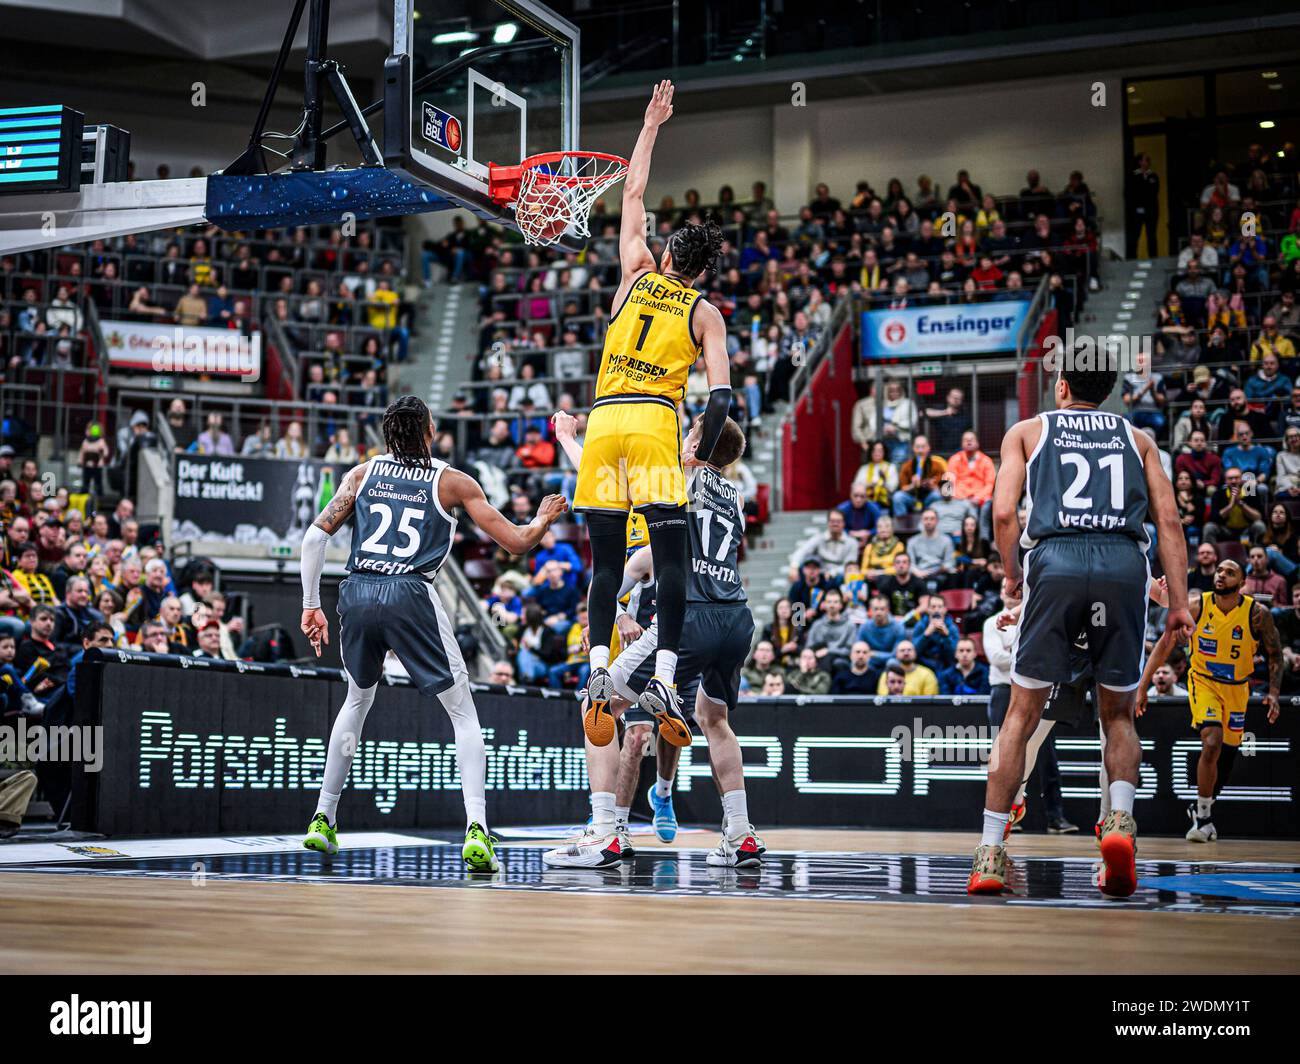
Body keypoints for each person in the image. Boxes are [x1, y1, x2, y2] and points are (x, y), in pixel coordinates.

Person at [299, 396, 568, 871]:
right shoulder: (452, 482)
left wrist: (310, 605)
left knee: (356, 702)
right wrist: (544, 519)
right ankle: (477, 830)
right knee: (462, 713)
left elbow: (315, 538)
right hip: (409, 592)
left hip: (357, 589)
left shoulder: (360, 476)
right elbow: (516, 543)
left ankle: (323, 817)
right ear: (430, 428)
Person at [968, 360, 1191, 898]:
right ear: (1109, 391)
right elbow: (1169, 521)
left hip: (1055, 560)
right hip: (1123, 565)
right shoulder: (1138, 439)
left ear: (1061, 386)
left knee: (1020, 716)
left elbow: (1003, 514)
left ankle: (991, 854)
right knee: (1116, 713)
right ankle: (1118, 824)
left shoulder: (1028, 431)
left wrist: (1014, 575)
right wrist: (1179, 603)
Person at [575, 82, 733, 751]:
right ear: (703, 272)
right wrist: (700, 444)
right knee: (670, 555)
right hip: (652, 424)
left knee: (605, 561)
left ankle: (595, 674)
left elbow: (633, 193)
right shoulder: (706, 313)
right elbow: (722, 398)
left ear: (669, 257)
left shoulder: (636, 274)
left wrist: (650, 126)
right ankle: (665, 678)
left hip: (602, 422)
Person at [546, 415, 765, 869]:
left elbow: (600, 477)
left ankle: (605, 831)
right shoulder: (736, 495)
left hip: (689, 615)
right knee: (714, 719)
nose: (682, 437)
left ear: (695, 445)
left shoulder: (679, 474)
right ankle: (741, 835)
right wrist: (631, 582)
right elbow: (678, 549)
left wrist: (568, 437)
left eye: (690, 432)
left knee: (597, 705)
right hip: (735, 615)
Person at [1136, 559, 1281, 843]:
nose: (1221, 575)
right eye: (1219, 571)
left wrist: (1274, 693)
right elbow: (1166, 643)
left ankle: (1202, 808)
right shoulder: (1196, 606)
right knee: (1211, 740)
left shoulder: (1257, 614)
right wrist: (1143, 686)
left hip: (1238, 688)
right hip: (1203, 681)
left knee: (1226, 756)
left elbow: (1275, 654)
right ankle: (1203, 817)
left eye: (1230, 573)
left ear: (1242, 583)